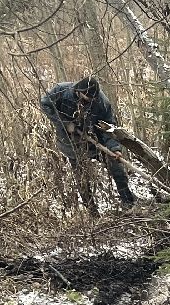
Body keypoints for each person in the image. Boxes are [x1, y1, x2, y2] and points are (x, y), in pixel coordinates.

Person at [40, 76, 136, 209]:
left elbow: (109, 127)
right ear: (79, 91)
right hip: (72, 143)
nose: (90, 102)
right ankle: (91, 210)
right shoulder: (61, 90)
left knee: (116, 167)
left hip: (96, 141)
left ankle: (128, 202)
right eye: (87, 99)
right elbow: (45, 104)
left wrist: (114, 148)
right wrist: (64, 123)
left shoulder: (102, 102)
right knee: (82, 177)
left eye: (92, 100)